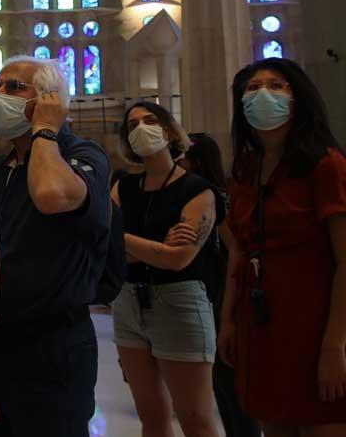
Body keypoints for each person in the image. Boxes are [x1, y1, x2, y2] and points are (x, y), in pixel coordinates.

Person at [0, 56, 111, 437]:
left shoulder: (82, 154)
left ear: (48, 99)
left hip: (53, 346)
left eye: (13, 87)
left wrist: (45, 130)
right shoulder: (0, 168)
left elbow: (50, 194)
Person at [221, 58, 346, 433]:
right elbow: (239, 253)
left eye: (276, 85)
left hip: (314, 323)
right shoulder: (245, 170)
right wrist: (227, 320)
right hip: (259, 321)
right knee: (273, 422)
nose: (262, 93)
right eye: (252, 87)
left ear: (298, 98)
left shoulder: (325, 166)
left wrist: (334, 344)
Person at [111, 102, 221, 437]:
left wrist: (121, 238)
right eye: (133, 124)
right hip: (129, 300)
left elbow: (178, 260)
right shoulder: (124, 186)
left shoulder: (198, 189)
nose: (141, 128)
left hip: (179, 300)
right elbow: (104, 249)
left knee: (195, 419)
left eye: (150, 120)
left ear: (170, 130)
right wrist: (157, 247)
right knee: (152, 417)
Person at [176, 133, 260, 437]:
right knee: (219, 383)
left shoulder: (215, 197)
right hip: (207, 295)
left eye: (183, 156)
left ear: (196, 160)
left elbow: (233, 250)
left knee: (230, 382)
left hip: (222, 293)